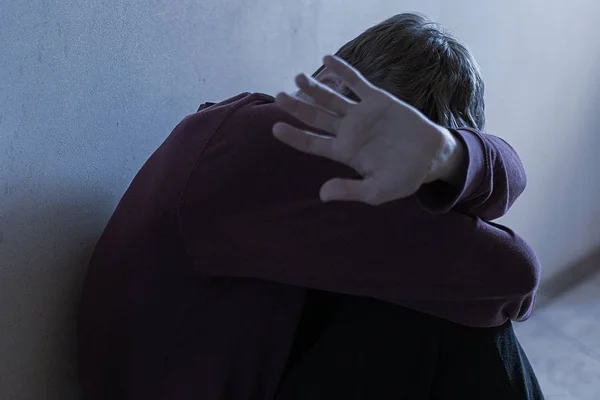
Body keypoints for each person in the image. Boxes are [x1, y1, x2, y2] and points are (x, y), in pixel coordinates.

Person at [77, 13, 543, 399]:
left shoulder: (241, 134)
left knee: (440, 305)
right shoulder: (263, 149)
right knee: (455, 321)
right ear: (334, 91)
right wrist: (455, 167)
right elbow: (513, 274)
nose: (385, 184)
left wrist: (451, 156)